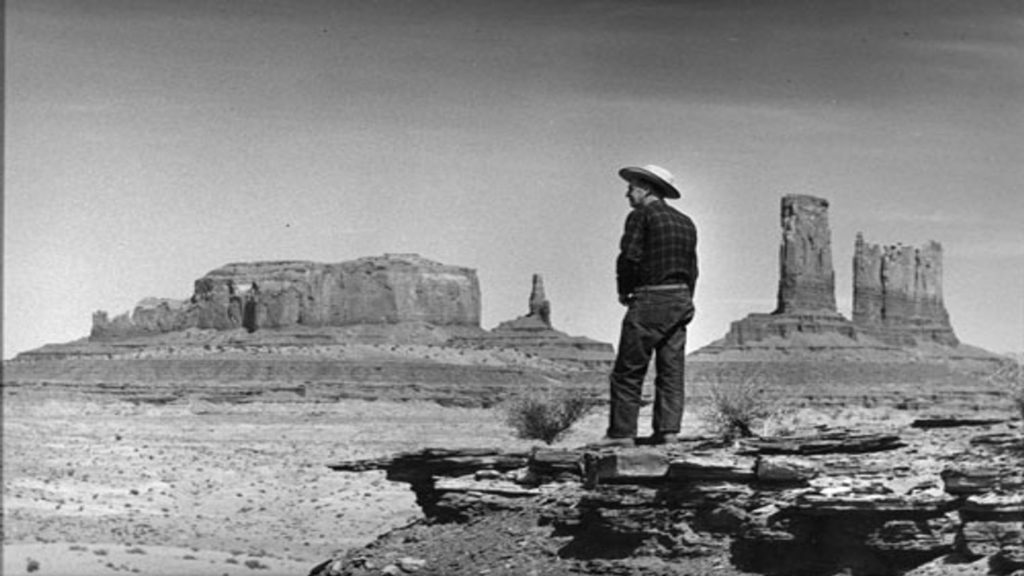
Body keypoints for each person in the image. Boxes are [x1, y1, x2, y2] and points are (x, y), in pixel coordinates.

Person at [598, 164, 698, 448]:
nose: (627, 194)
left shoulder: (640, 216)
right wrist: (687, 298)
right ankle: (668, 433)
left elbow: (629, 257)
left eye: (631, 188)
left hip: (650, 298)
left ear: (647, 188)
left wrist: (624, 291)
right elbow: (693, 267)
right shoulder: (686, 222)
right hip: (680, 298)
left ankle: (622, 434)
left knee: (629, 369)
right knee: (671, 368)